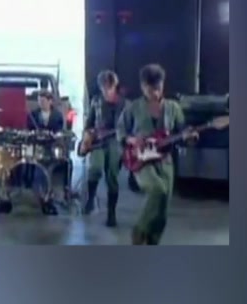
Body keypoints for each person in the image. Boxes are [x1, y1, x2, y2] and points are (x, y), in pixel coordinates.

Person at [116, 64, 197, 245]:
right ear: (142, 87)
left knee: (163, 211)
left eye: (158, 88)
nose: (154, 93)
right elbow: (120, 131)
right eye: (149, 89)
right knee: (157, 189)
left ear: (163, 85)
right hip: (141, 161)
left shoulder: (173, 108)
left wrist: (189, 137)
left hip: (165, 161)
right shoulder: (133, 108)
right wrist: (132, 140)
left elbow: (182, 132)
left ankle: (153, 242)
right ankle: (140, 230)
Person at [78, 70, 127, 225]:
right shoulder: (96, 101)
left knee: (112, 177)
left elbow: (131, 126)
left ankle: (111, 213)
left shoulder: (125, 104)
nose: (106, 91)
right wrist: (87, 137)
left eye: (109, 87)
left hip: (116, 142)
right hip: (98, 141)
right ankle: (90, 199)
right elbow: (89, 123)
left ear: (114, 86)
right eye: (103, 88)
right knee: (95, 169)